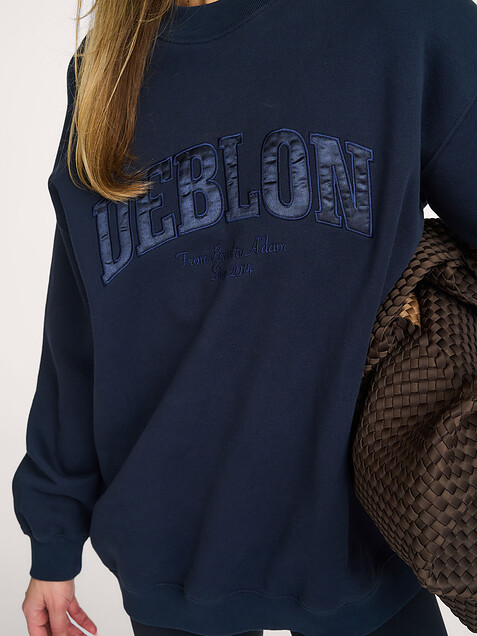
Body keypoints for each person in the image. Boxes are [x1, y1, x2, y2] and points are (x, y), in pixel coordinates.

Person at [11, 0, 477, 634]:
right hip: (173, 544)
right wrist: (53, 533)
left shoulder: (401, 21)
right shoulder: (105, 72)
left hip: (367, 531)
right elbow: (77, 334)